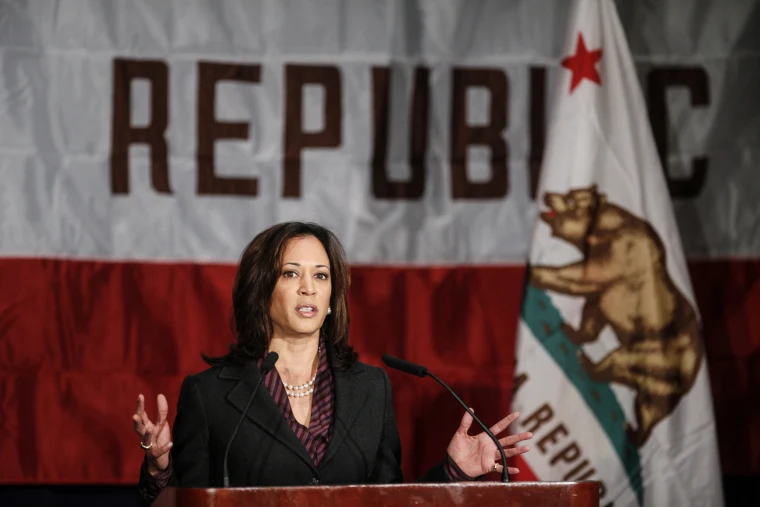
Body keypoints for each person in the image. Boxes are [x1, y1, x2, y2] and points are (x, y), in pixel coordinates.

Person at [132, 221, 533, 504]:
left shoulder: (370, 388)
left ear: (330, 300)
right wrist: (160, 467)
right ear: (261, 291)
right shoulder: (211, 394)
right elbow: (182, 502)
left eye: (321, 276)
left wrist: (454, 473)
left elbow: (387, 501)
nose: (308, 287)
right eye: (291, 274)